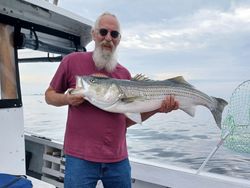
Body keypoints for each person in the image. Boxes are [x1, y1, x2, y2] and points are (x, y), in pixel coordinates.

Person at [45, 12, 179, 188]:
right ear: (94, 34)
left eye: (114, 34)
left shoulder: (124, 74)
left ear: (119, 39)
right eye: (103, 32)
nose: (108, 38)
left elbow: (126, 122)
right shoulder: (72, 61)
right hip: (80, 159)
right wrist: (67, 98)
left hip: (118, 160)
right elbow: (49, 95)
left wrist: (156, 109)